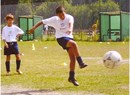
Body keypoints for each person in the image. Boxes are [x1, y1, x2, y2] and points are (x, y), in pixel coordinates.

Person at [29, 6, 88, 86]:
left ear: (65, 12)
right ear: (57, 15)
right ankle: (81, 62)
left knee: (72, 59)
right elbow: (42, 21)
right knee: (74, 44)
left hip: (69, 38)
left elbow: (71, 24)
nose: (62, 17)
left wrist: (70, 29)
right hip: (61, 38)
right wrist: (34, 28)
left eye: (63, 15)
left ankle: (71, 77)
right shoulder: (54, 19)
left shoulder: (69, 17)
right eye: (60, 16)